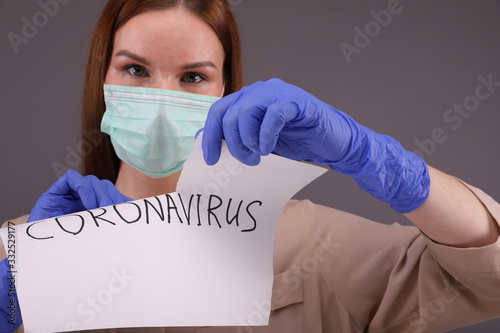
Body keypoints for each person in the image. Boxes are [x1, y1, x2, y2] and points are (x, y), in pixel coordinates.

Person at [1, 0, 500, 332]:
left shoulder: (313, 245)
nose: (160, 99)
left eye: (193, 76)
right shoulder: (25, 245)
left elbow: (488, 280)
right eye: (135, 69)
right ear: (102, 78)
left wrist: (380, 161)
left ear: (226, 91)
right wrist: (22, 278)